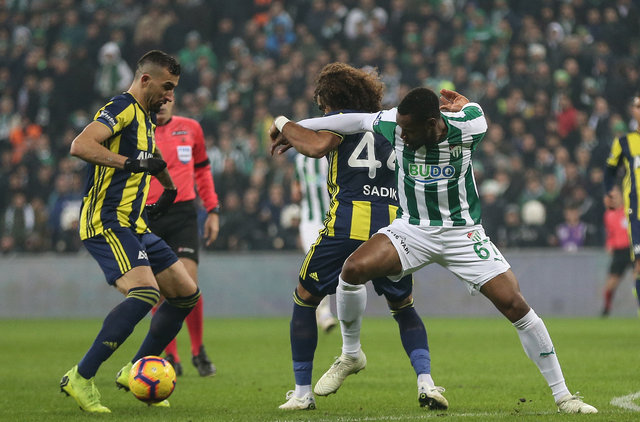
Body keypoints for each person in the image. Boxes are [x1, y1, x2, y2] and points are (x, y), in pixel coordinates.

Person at [272, 86, 597, 414]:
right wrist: (289, 124)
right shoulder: (394, 124)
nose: (402, 136)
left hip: (462, 234)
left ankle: (564, 397)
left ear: (432, 123)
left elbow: (472, 110)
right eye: (401, 129)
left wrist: (465, 104)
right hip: (412, 230)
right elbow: (352, 121)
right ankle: (351, 354)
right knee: (352, 270)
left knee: (516, 306)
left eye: (409, 131)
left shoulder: (470, 126)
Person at [271, 63, 446, 411]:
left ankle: (303, 393)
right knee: (403, 307)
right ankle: (426, 382)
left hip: (345, 228)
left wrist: (283, 124)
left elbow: (317, 146)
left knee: (305, 298)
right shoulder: (389, 123)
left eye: (323, 105)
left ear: (331, 100)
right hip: (392, 231)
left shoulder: (341, 121)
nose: (323, 111)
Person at [60, 50, 201, 413]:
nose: (170, 96)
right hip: (106, 221)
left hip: (135, 225)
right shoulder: (121, 107)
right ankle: (81, 376)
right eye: (166, 87)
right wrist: (129, 162)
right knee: (145, 293)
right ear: (145, 80)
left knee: (186, 294)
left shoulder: (145, 119)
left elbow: (151, 160)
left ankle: (133, 370)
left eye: (173, 89)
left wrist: (168, 189)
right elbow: (81, 145)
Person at [146, 97, 220, 377]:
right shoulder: (138, 131)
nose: (162, 105)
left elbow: (202, 170)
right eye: (158, 100)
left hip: (183, 213)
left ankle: (198, 350)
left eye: (168, 100)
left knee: (188, 285)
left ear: (174, 100)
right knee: (158, 290)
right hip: (149, 214)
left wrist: (213, 210)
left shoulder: (191, 128)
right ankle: (171, 356)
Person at [293, 153, 338, 333]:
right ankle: (324, 311)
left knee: (333, 265)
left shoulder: (332, 156)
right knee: (318, 263)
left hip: (333, 219)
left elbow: (295, 191)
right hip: (310, 222)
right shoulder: (300, 160)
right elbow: (296, 190)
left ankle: (320, 309)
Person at [604, 94, 640, 315]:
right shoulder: (624, 142)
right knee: (638, 266)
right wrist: (608, 191)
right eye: (637, 105)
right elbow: (609, 171)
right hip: (636, 215)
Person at [601, 187, 633, 316]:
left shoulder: (630, 210)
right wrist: (609, 244)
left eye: (616, 196)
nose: (613, 199)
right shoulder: (609, 215)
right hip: (619, 251)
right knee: (611, 284)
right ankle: (606, 309)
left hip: (632, 249)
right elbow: (610, 233)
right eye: (611, 197)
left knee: (637, 277)